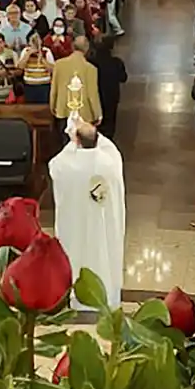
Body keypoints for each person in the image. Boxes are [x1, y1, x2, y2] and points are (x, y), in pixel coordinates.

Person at [50, 117, 126, 310]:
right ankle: (106, 294)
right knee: (103, 258)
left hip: (78, 225)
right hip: (102, 226)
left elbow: (54, 166)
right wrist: (85, 132)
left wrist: (72, 138)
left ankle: (78, 297)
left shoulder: (67, 166)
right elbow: (108, 146)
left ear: (76, 141)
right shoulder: (110, 162)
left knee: (78, 256)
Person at [50, 35, 102, 132]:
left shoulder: (59, 64)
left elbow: (54, 89)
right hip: (84, 113)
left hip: (63, 109)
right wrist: (97, 114)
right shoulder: (91, 69)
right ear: (87, 49)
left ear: (72, 47)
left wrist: (53, 106)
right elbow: (92, 94)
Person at [92, 36, 128, 138]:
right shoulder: (117, 62)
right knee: (110, 121)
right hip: (112, 96)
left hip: (97, 96)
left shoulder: (91, 63)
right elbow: (123, 78)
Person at [19, 30, 55, 105]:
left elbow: (52, 69)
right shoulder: (25, 51)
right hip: (29, 86)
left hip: (44, 86)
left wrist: (42, 59)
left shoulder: (47, 51)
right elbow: (20, 67)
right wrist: (28, 54)